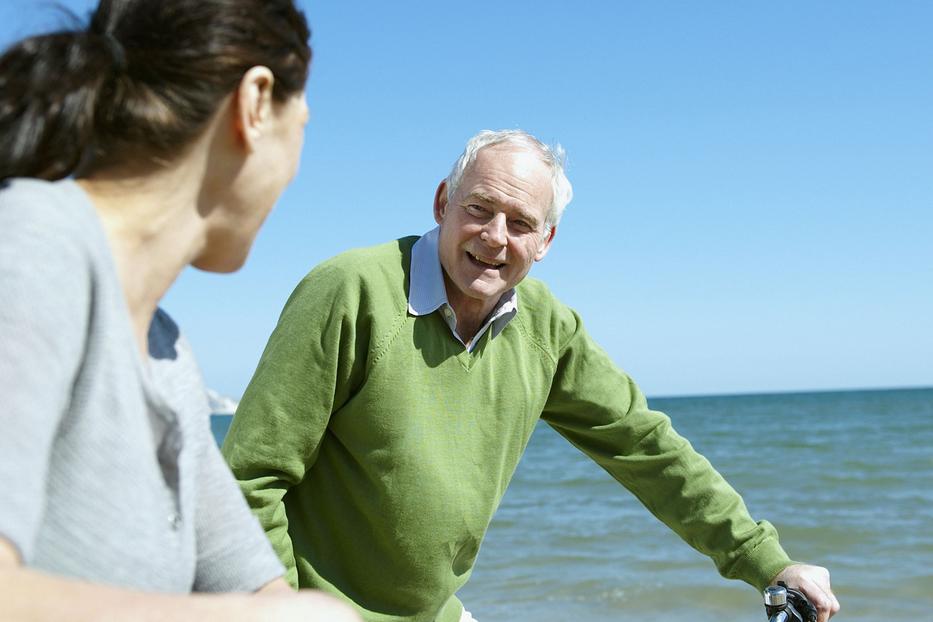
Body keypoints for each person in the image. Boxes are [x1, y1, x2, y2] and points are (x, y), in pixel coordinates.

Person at [222, 129, 841, 622]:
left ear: (545, 240)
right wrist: (283, 608)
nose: (494, 238)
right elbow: (251, 476)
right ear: (443, 203)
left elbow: (645, 448)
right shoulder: (350, 290)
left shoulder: (548, 329)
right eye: (478, 210)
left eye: (519, 224)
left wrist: (766, 562)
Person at [0, 1, 359, 620]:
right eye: (303, 127)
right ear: (255, 103)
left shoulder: (167, 353)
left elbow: (252, 586)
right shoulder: (31, 243)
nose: (296, 172)